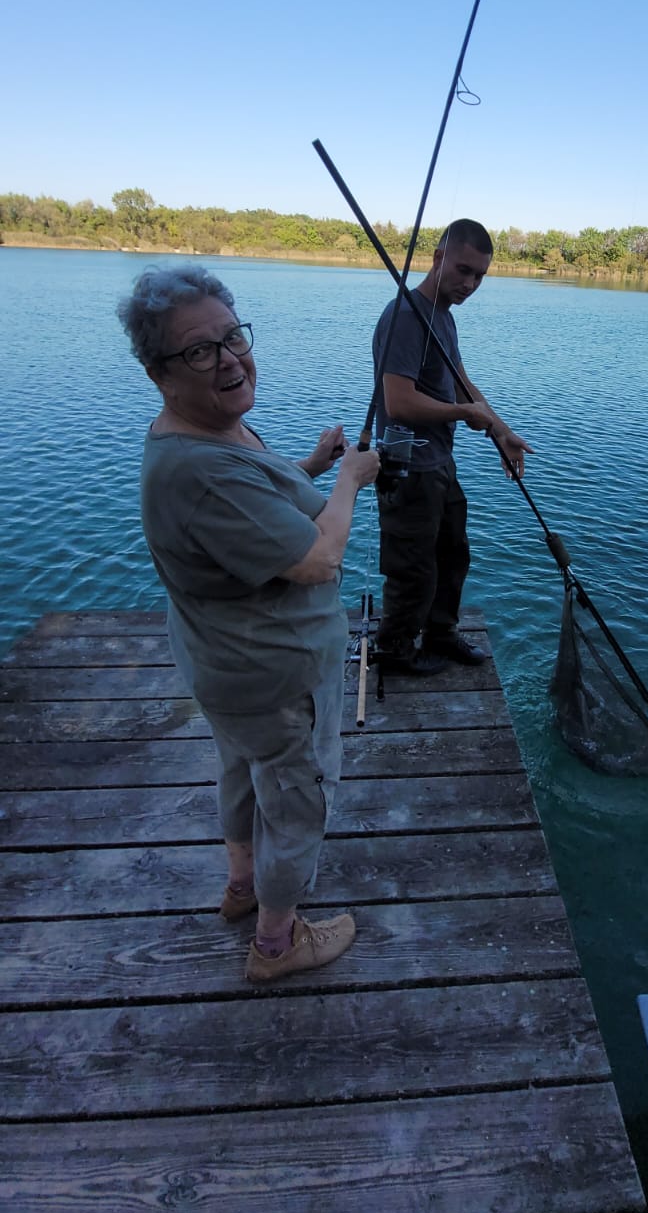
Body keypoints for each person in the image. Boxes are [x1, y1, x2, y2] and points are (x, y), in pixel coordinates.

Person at [117, 266, 380, 984]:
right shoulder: (197, 468)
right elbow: (319, 559)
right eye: (200, 351)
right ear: (159, 373)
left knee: (243, 772)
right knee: (295, 802)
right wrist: (350, 479)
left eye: (234, 337)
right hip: (273, 675)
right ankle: (275, 943)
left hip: (227, 671)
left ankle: (241, 886)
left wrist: (312, 465)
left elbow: (247, 509)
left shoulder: (199, 434)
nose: (230, 359)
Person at [371, 219, 532, 675]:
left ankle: (440, 633)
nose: (470, 284)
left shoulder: (442, 316)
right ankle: (395, 649)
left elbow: (462, 383)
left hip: (439, 462)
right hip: (407, 468)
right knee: (412, 566)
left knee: (452, 554)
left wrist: (502, 432)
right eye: (463, 270)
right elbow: (398, 402)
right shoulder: (406, 316)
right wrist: (462, 414)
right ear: (438, 257)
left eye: (480, 275)